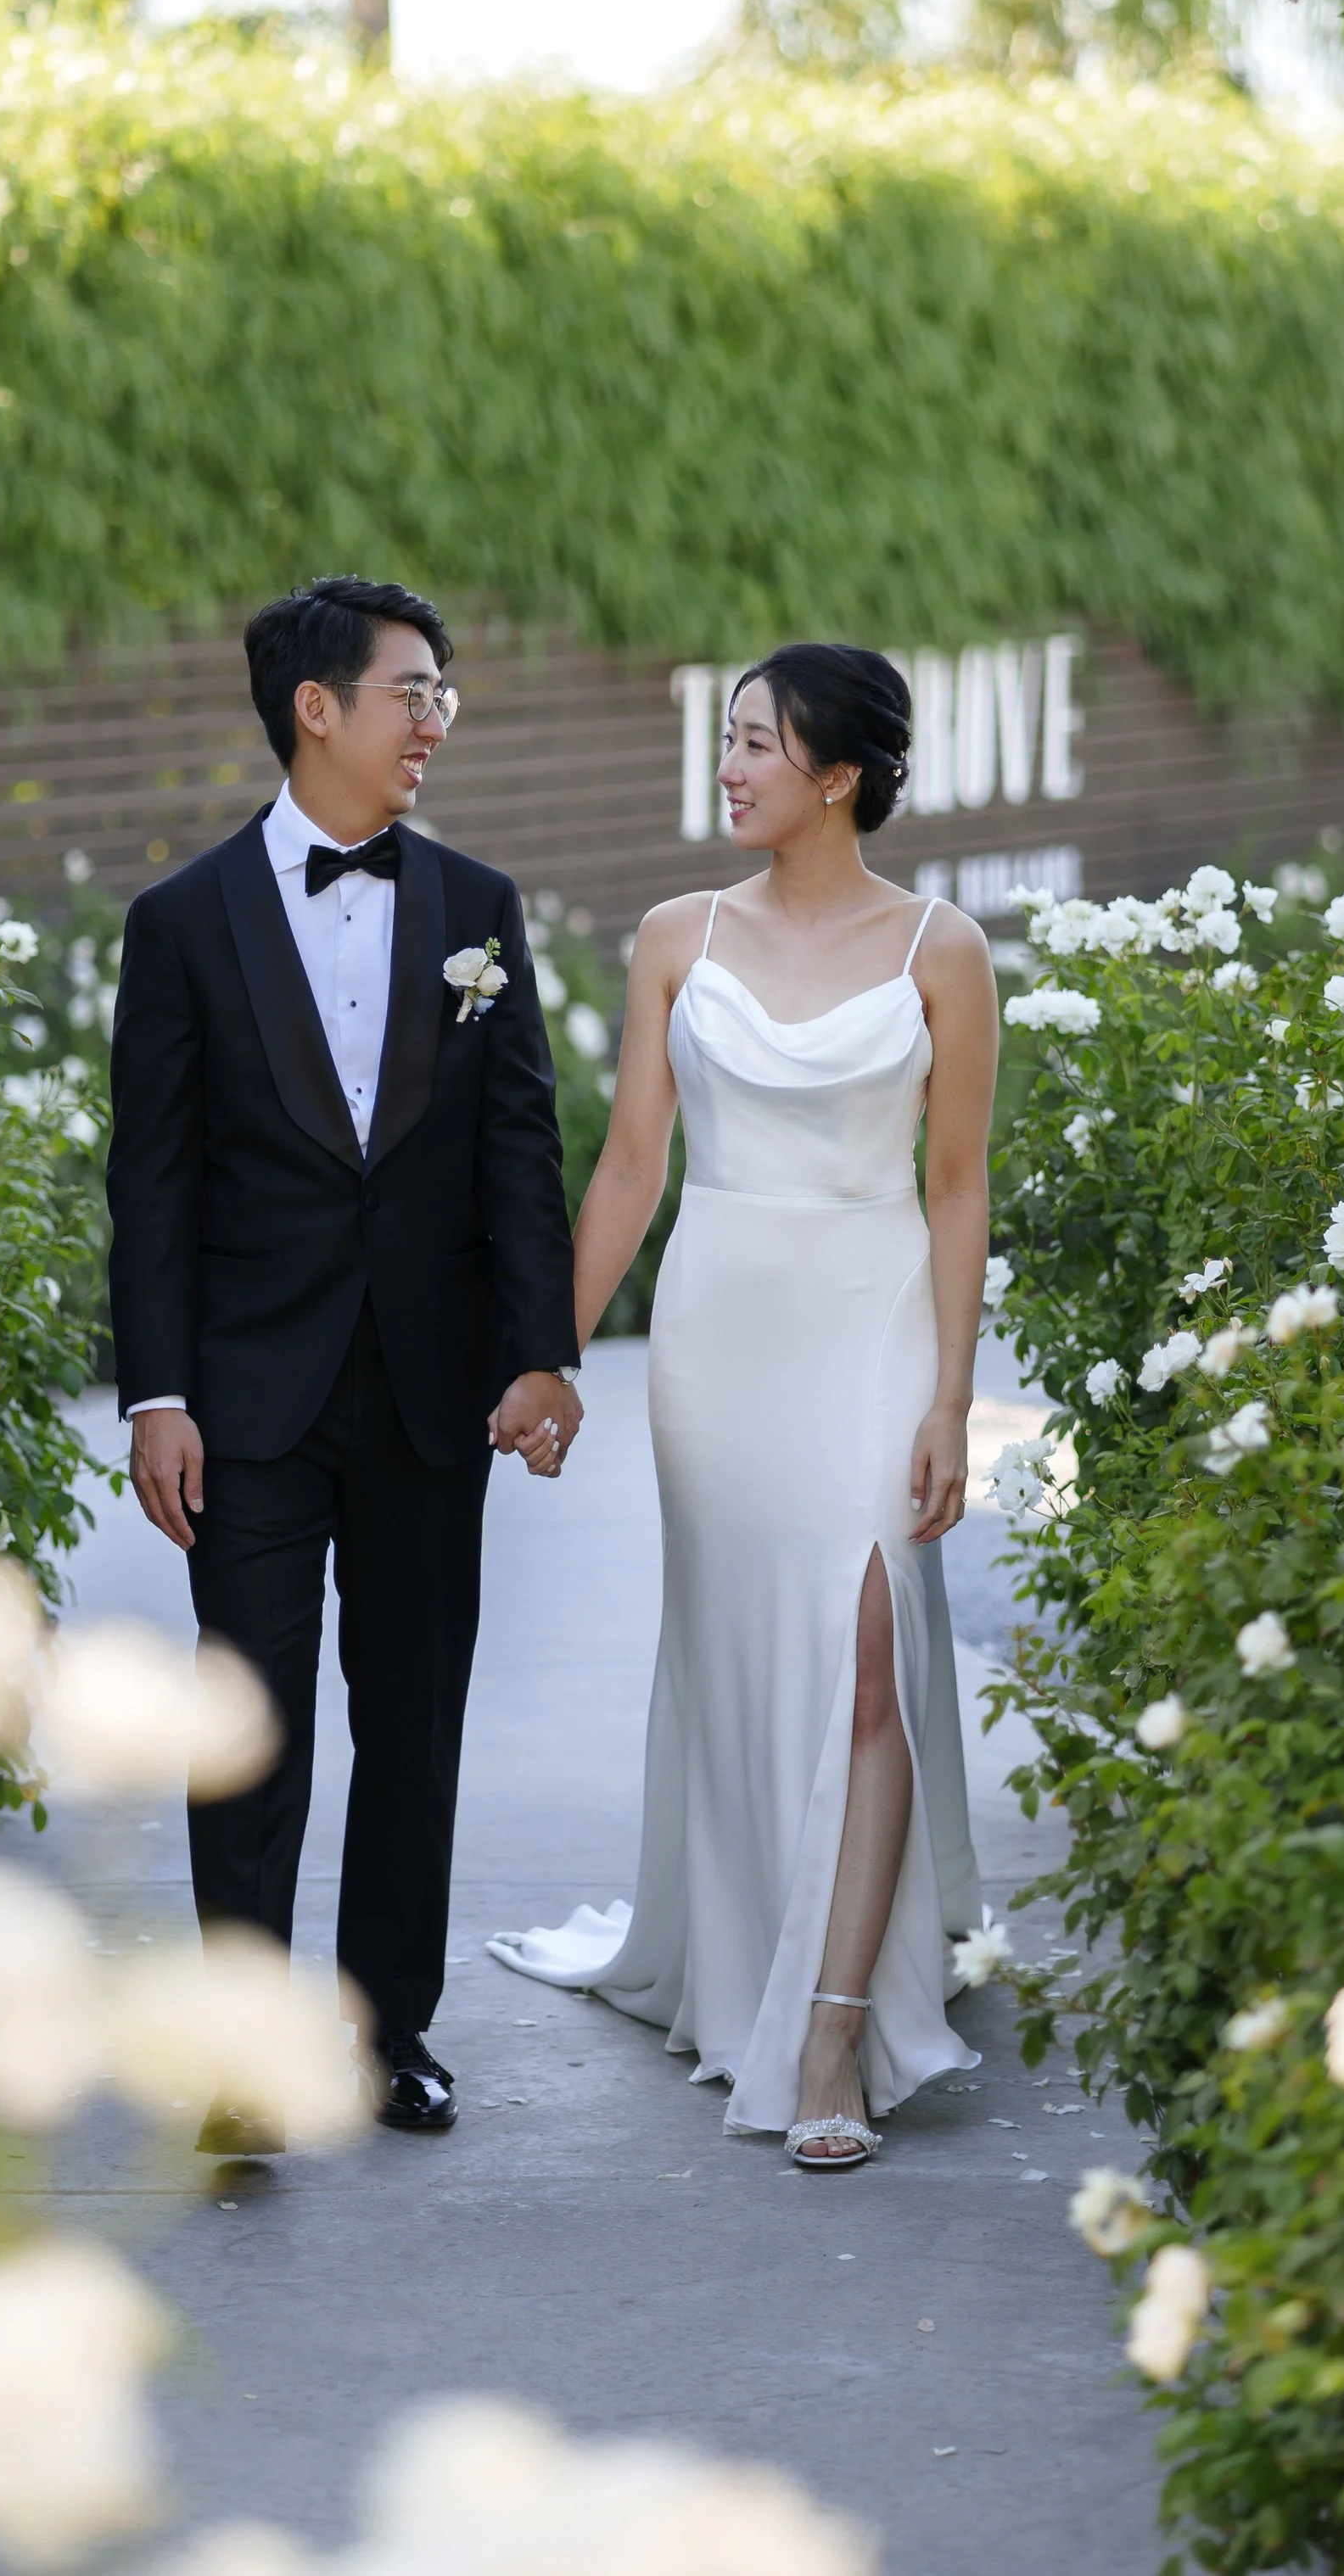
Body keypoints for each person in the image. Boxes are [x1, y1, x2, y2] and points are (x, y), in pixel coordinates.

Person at [489, 645, 998, 2166]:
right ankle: (737, 1954)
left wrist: (956, 1398)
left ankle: (833, 2031)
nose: (731, 766)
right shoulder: (674, 936)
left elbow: (958, 1182)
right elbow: (633, 1167)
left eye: (758, 743)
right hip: (721, 1336)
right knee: (736, 1653)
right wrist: (550, 1357)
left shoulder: (943, 948)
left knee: (870, 1649)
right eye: (729, 740)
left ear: (837, 774)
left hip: (874, 1324)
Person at [106, 573, 583, 2148]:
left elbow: (521, 1148)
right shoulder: (179, 922)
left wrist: (542, 1355)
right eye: (414, 691)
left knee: (412, 1718)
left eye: (444, 695)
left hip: (429, 1392)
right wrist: (158, 1391)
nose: (435, 720)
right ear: (319, 708)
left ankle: (390, 2032)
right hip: (245, 1397)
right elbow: (153, 1181)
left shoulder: (478, 909)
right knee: (250, 1723)